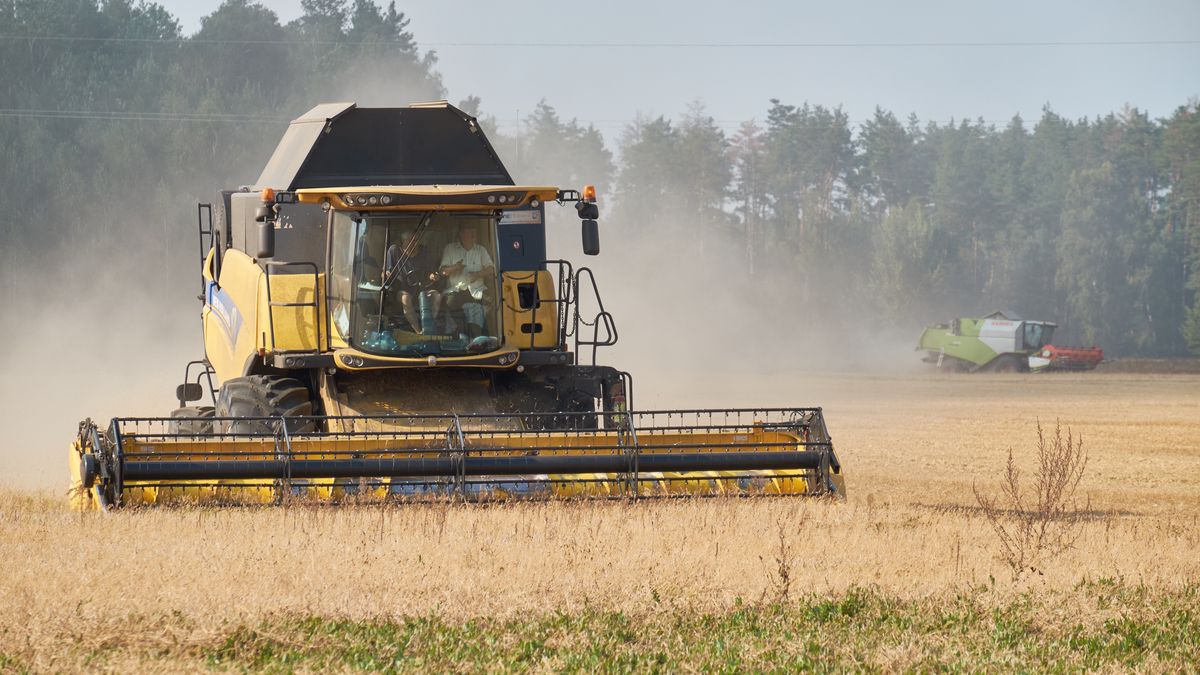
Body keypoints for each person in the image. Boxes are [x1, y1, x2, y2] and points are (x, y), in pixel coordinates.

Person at [439, 223, 495, 339]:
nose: (473, 235)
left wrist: (478, 274)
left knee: (488, 309)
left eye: (474, 233)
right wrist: (455, 268)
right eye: (469, 232)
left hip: (477, 292)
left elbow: (492, 269)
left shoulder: (481, 250)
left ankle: (482, 340)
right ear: (461, 234)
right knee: (453, 312)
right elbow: (442, 272)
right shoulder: (450, 249)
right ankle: (459, 339)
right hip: (455, 291)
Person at [383, 230, 442, 334]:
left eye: (416, 241)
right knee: (406, 299)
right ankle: (419, 332)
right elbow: (386, 273)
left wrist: (433, 276)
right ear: (403, 241)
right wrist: (387, 275)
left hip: (422, 289)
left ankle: (428, 327)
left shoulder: (424, 251)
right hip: (402, 289)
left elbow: (431, 271)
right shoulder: (394, 251)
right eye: (411, 241)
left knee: (437, 296)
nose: (414, 244)